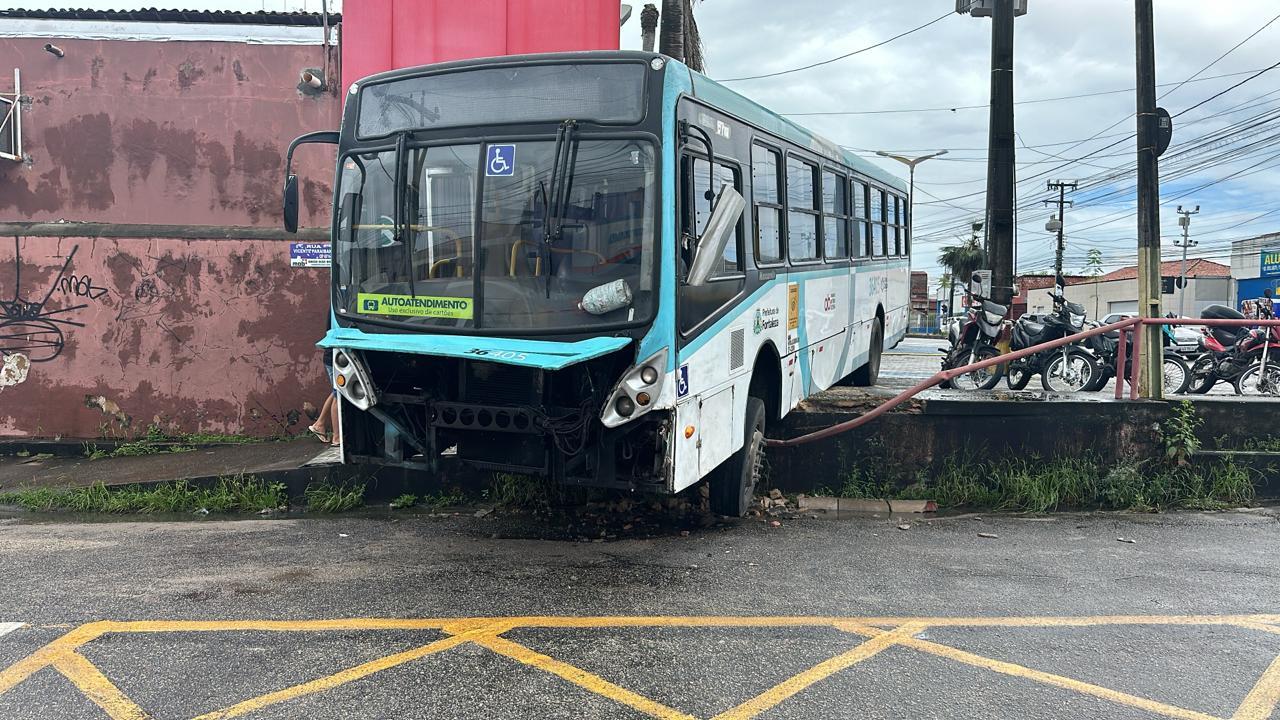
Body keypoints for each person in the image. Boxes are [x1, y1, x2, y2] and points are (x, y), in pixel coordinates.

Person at [307, 351, 341, 447]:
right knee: (339, 394)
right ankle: (337, 437)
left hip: (337, 357)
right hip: (335, 358)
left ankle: (319, 424)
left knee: (338, 391)